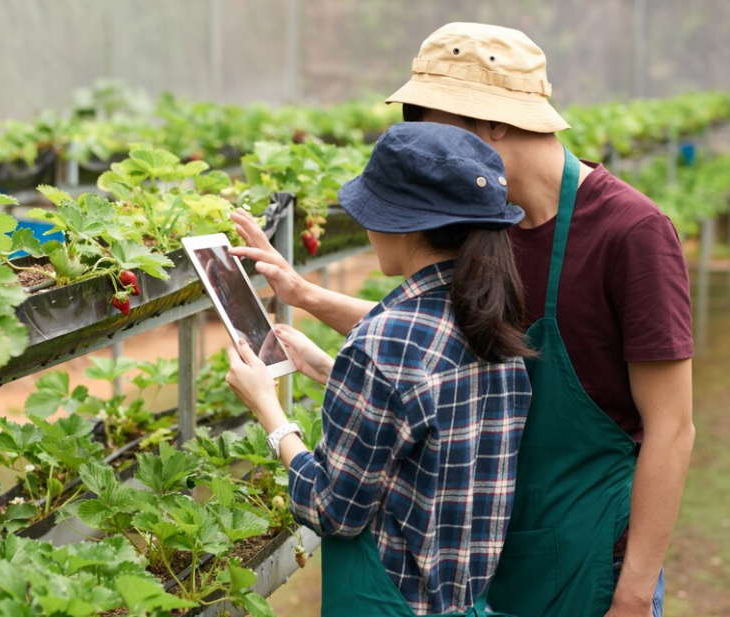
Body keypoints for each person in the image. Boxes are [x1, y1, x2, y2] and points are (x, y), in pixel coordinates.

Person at [231, 22, 695, 617]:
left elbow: (673, 427)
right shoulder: (484, 228)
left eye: (428, 124)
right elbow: (439, 346)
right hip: (481, 555)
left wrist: (634, 591)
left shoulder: (630, 233)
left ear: (494, 122)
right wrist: (305, 295)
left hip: (590, 560)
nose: (422, 144)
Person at [225, 121, 532, 616]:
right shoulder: (493, 320)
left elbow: (332, 509)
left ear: (405, 223)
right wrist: (330, 368)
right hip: (466, 601)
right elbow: (422, 415)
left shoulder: (384, 342)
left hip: (388, 601)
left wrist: (269, 412)